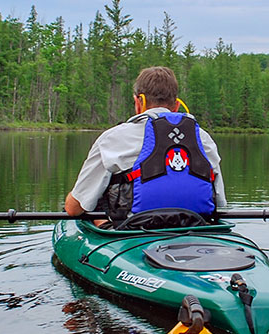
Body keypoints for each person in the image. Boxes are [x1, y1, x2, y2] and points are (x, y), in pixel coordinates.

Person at [64, 66, 225, 227]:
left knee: (92, 205)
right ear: (176, 105)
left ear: (138, 101)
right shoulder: (203, 138)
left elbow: (74, 208)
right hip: (196, 227)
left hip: (133, 231)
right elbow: (220, 202)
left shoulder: (113, 138)